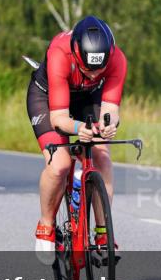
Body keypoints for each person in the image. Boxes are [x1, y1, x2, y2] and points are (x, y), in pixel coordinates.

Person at [26, 15, 127, 262]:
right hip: (49, 99)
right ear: (76, 54)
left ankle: (103, 233)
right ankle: (47, 225)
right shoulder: (60, 52)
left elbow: (110, 110)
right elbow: (60, 118)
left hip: (88, 99)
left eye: (99, 71)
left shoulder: (117, 59)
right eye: (87, 70)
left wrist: (109, 124)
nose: (93, 75)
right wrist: (80, 127)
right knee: (59, 163)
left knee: (102, 155)